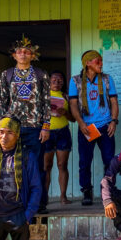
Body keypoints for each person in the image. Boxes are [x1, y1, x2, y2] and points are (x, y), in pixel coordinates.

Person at [0, 36, 50, 213]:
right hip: (13, 129)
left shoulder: (41, 75)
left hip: (35, 128)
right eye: (20, 51)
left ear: (33, 55)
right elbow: (2, 103)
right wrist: (1, 129)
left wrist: (46, 126)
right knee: (12, 165)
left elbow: (47, 103)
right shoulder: (7, 74)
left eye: (27, 52)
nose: (23, 54)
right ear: (14, 55)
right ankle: (17, 202)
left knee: (36, 166)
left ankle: (39, 204)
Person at [68, 50, 119, 206]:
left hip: (105, 125)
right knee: (85, 162)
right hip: (87, 127)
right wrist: (81, 123)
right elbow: (73, 105)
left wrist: (113, 121)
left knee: (109, 161)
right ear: (88, 63)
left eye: (101, 61)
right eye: (98, 61)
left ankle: (107, 191)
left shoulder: (107, 79)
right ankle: (86, 191)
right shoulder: (75, 81)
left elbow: (114, 102)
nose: (101, 64)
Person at [44, 70, 74, 204]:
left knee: (62, 165)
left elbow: (73, 118)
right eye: (54, 80)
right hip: (46, 132)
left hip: (63, 132)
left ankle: (63, 196)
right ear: (49, 82)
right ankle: (44, 197)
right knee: (46, 166)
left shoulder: (66, 97)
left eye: (60, 80)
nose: (56, 82)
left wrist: (65, 113)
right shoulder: (43, 97)